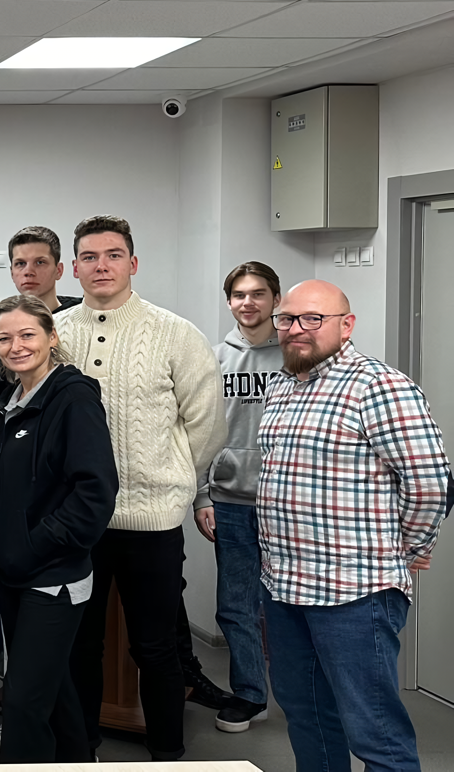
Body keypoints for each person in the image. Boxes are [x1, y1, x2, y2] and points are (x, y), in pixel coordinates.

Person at [56, 215, 226, 761]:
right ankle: (82, 752)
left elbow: (206, 423)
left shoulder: (176, 333)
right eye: (89, 256)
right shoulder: (55, 333)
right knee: (80, 644)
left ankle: (167, 754)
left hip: (151, 520)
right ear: (74, 268)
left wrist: (172, 479)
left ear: (133, 263)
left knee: (155, 648)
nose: (101, 265)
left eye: (113, 255)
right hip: (78, 524)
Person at [260, 280, 447, 772]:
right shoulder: (281, 384)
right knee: (306, 715)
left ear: (347, 325)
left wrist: (406, 549)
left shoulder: (379, 386)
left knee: (375, 730)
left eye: (312, 318)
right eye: (287, 318)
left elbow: (430, 483)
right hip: (284, 587)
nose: (296, 329)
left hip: (355, 592)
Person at [0, 296, 117, 761]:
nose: (16, 346)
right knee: (53, 691)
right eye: (4, 338)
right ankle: (80, 761)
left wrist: (34, 545)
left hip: (54, 576)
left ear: (52, 336)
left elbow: (95, 495)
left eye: (27, 335)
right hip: (13, 573)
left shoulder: (73, 399)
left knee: (23, 704)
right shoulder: (8, 403)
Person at [192, 261, 285, 734]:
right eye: (239, 295)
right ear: (229, 301)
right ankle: (251, 695)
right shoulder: (212, 359)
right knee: (235, 605)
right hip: (229, 502)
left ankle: (302, 696)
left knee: (293, 606)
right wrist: (201, 497)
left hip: (287, 504)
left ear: (275, 299)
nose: (248, 303)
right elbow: (200, 432)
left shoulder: (296, 356)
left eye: (258, 293)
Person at [0, 227, 82, 399]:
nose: (28, 272)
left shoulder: (80, 319)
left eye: (40, 262)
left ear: (59, 270)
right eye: (20, 264)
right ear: (12, 272)